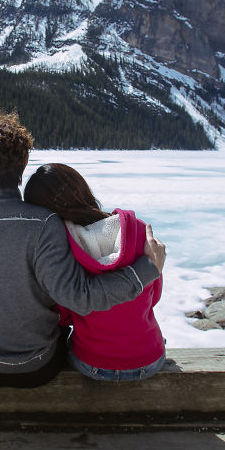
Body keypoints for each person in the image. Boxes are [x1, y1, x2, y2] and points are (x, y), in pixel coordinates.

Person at [0, 111, 166, 388]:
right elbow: (79, 298)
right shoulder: (43, 223)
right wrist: (147, 270)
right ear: (23, 164)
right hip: (34, 367)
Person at [24, 163, 165, 381]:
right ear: (81, 188)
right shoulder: (138, 230)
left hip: (94, 363)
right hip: (149, 358)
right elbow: (154, 295)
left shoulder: (62, 250)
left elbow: (65, 312)